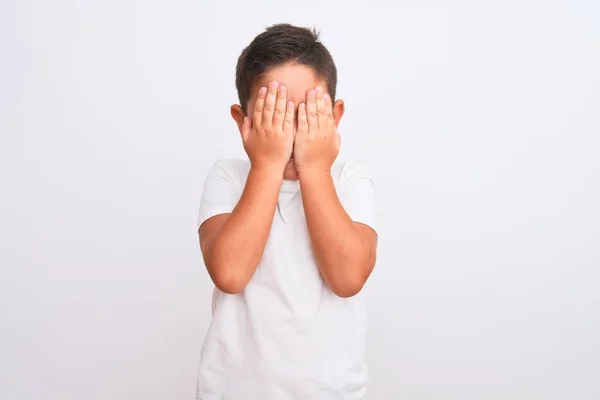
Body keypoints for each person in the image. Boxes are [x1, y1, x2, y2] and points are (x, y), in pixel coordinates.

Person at [195, 23, 379, 399]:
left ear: (335, 115)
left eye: (305, 114)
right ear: (242, 120)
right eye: (274, 116)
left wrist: (314, 169)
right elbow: (229, 274)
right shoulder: (228, 177)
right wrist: (266, 165)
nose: (290, 133)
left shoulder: (350, 179)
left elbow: (347, 279)